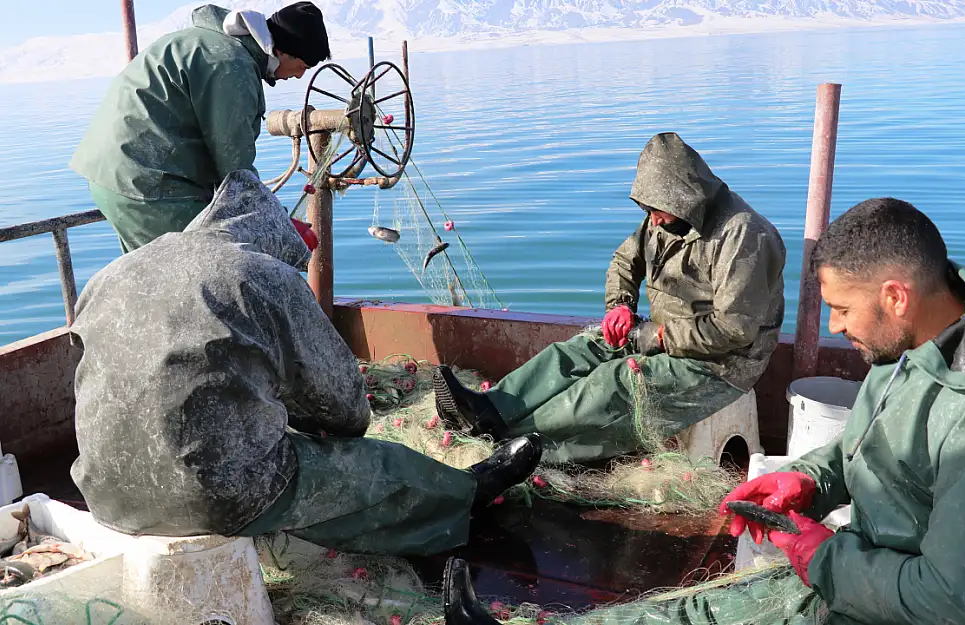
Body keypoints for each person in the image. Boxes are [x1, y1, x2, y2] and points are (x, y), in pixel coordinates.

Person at [442, 197, 965, 624]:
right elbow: (883, 446)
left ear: (897, 296)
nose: (840, 326)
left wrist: (823, 557)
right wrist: (816, 478)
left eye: (844, 310)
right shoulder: (922, 346)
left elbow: (961, 604)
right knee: (700, 609)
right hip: (886, 570)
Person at [68, 169, 542, 557]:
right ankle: (465, 493)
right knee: (377, 466)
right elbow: (346, 413)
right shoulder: (264, 275)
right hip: (211, 497)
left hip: (102, 493)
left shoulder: (114, 272)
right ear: (273, 243)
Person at [431, 132, 787, 464]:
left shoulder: (743, 235)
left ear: (685, 196)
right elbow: (625, 261)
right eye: (649, 210)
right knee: (580, 349)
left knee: (615, 383)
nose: (653, 220)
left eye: (657, 209)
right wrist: (620, 306)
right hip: (665, 336)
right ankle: (489, 409)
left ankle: (511, 440)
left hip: (721, 365)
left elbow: (733, 330)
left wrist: (659, 336)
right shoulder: (666, 218)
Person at [69, 2, 330, 253]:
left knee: (149, 276)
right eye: (302, 66)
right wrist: (277, 223)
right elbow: (235, 168)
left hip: (114, 174)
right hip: (149, 185)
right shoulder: (232, 65)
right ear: (283, 51)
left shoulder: (206, 42)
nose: (299, 75)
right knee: (195, 276)